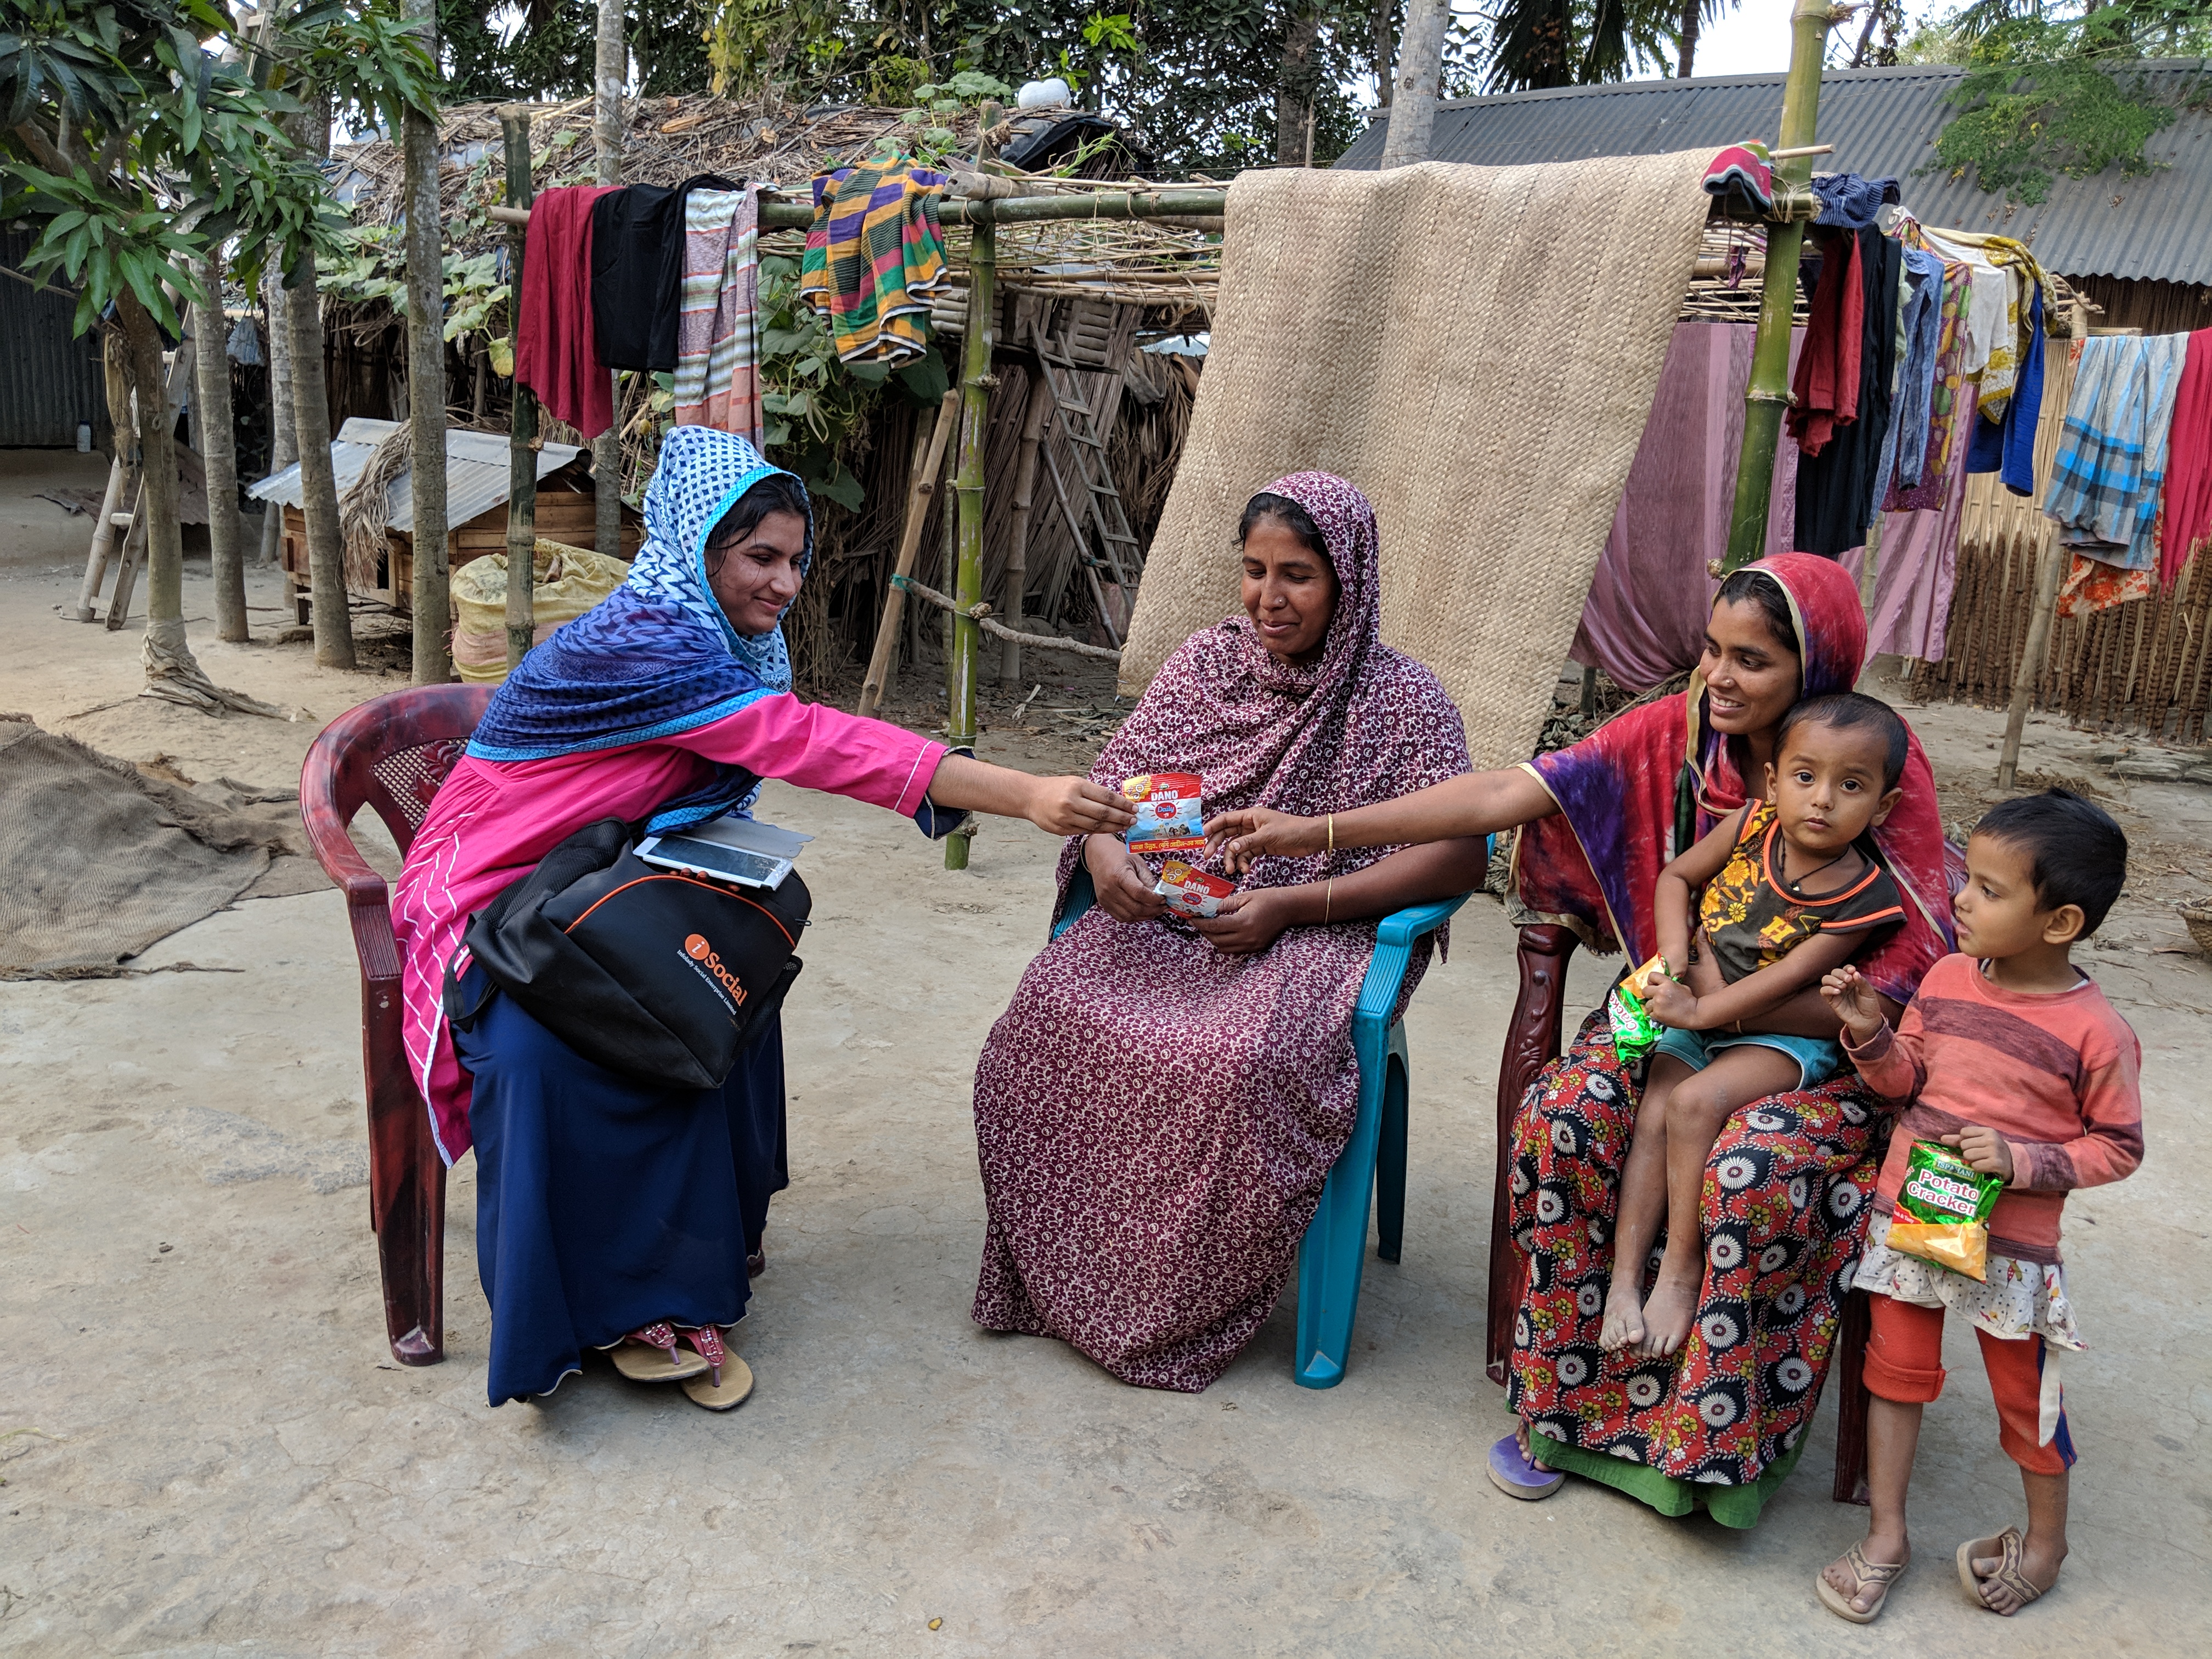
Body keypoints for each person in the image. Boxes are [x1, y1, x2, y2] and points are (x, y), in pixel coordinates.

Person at [390, 428, 1133, 1409]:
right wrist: (1023, 792)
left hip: (604, 874)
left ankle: (681, 1268)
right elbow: (807, 741)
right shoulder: (646, 642)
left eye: (795, 560)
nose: (784, 584)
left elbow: (764, 745)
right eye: (760, 558)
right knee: (554, 1046)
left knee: (711, 980)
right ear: (694, 548)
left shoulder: (729, 638)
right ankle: (594, 1304)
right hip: (493, 892)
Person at [1211, 553, 1956, 1525]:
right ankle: (1561, 1410)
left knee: (1753, 1167)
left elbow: (1902, 989)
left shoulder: (1878, 773)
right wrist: (1312, 830)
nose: (1719, 679)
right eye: (1710, 651)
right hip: (1674, 1002)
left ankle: (1703, 1447)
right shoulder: (1675, 738)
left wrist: (1730, 1008)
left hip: (1821, 1049)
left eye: (1753, 661)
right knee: (1566, 1115)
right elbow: (1497, 798)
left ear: (1815, 669)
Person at [969, 472, 1489, 1391]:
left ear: (1348, 582)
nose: (1268, 597)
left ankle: (1172, 1304)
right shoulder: (1205, 664)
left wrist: (1290, 903)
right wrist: (1102, 854)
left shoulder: (1403, 699)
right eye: (1253, 570)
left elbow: (1455, 859)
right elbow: (1112, 787)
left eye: (1297, 575)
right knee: (1038, 1021)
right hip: (1180, 914)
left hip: (1327, 929)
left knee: (1234, 1060)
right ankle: (1066, 1281)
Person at [1815, 789, 2141, 1623]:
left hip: (2012, 1249)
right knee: (1896, 1375)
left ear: (2061, 922)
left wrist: (2026, 1161)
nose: (1960, 897)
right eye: (1969, 877)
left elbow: (2118, 1147)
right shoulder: (1948, 978)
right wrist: (1869, 1036)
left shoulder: (2097, 1032)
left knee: (2029, 1399)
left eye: (1991, 891)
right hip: (1920, 1216)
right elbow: (1906, 1083)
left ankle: (2046, 1542)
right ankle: (1888, 1535)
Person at [1604, 692, 1910, 1361]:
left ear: (1882, 806)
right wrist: (1677, 958)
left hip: (1780, 1035)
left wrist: (1697, 1009)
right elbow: (1676, 877)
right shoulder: (1750, 826)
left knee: (1693, 1104)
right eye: (1805, 777)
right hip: (1699, 1005)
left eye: (1851, 785)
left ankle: (1681, 1272)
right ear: (1774, 780)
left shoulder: (1865, 895)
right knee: (1655, 1107)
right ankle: (1625, 1280)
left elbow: (1787, 979)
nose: (1822, 799)